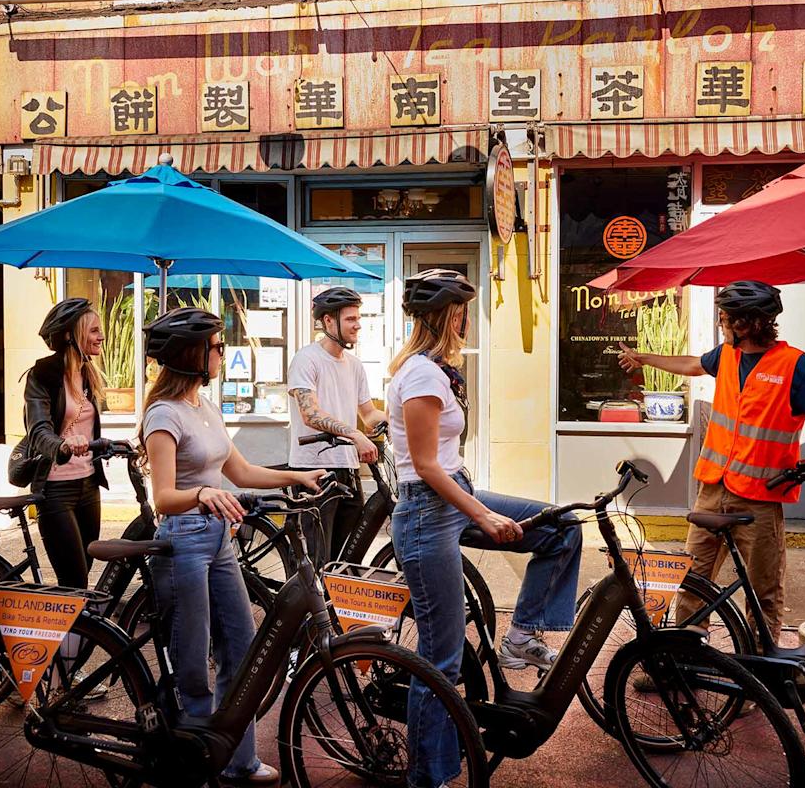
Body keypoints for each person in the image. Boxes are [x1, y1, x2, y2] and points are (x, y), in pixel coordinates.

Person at [618, 280, 805, 644]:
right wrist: (644, 358)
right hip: (712, 489)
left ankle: (759, 665)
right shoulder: (726, 355)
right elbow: (693, 364)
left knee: (762, 589)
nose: (721, 324)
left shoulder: (793, 366)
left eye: (725, 319)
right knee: (693, 581)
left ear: (747, 324)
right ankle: (684, 658)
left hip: (760, 499)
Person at [388, 269, 582, 787]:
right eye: (464, 313)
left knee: (562, 528)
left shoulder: (432, 370)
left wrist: (475, 502)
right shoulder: (422, 375)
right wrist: (483, 513)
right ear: (451, 317)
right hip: (429, 511)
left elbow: (441, 458)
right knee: (441, 659)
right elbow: (426, 465)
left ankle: (521, 635)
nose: (468, 322)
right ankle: (427, 778)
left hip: (453, 494)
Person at [140, 307, 325, 787]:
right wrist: (202, 494)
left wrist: (293, 477)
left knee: (242, 652)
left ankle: (237, 760)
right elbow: (163, 497)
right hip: (182, 542)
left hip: (219, 539)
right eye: (217, 345)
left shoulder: (205, 406)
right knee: (193, 664)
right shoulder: (163, 414)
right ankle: (193, 766)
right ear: (193, 353)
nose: (223, 352)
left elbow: (240, 472)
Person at [287, 286, 388, 562]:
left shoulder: (354, 365)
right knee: (318, 559)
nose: (358, 325)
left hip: (347, 468)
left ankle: (335, 606)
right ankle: (310, 606)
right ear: (328, 321)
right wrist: (355, 434)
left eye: (359, 318)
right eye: (350, 319)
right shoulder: (306, 359)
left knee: (346, 558)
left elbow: (368, 414)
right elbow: (311, 414)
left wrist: (402, 421)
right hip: (314, 471)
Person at [23, 298, 108, 590]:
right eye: (94, 330)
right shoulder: (43, 375)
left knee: (84, 569)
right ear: (72, 335)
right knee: (73, 581)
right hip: (56, 489)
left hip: (88, 484)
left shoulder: (89, 375)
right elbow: (38, 430)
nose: (101, 336)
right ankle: (64, 636)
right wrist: (62, 445)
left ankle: (76, 634)